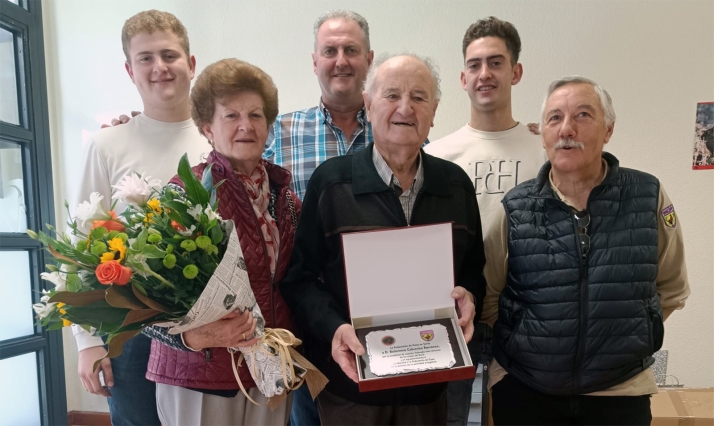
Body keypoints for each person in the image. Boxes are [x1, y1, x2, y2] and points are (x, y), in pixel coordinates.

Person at [280, 53, 487, 425]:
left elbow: (473, 271)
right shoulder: (332, 183)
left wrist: (470, 296)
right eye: (391, 95)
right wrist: (334, 328)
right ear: (368, 104)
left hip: (429, 389)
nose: (405, 108)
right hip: (351, 389)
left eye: (419, 97)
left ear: (434, 111)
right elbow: (300, 281)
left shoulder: (455, 185)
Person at [483, 76, 690, 425]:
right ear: (543, 134)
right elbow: (489, 296)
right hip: (526, 392)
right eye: (554, 118)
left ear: (608, 130)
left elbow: (671, 288)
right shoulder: (515, 207)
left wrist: (622, 338)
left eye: (582, 115)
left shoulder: (648, 196)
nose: (567, 129)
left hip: (620, 394)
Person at [142, 58, 301, 425]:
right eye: (231, 116)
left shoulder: (286, 199)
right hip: (202, 375)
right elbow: (143, 305)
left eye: (256, 115)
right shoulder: (185, 194)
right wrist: (198, 337)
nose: (246, 125)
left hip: (269, 370)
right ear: (206, 127)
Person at [72, 10, 204, 425]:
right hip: (130, 333)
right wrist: (87, 341)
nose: (159, 67)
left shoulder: (219, 136)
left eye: (169, 55)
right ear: (130, 70)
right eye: (145, 58)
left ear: (191, 63)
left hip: (205, 328)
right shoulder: (107, 144)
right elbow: (82, 243)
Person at [423, 16, 546, 425]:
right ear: (462, 77)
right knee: (451, 419)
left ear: (516, 71)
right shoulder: (436, 154)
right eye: (475, 65)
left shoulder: (543, 149)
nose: (485, 74)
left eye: (496, 62)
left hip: (526, 318)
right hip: (457, 315)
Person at [263, 10, 374, 201]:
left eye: (351, 50)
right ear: (315, 62)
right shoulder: (277, 133)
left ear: (369, 60)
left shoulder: (397, 129)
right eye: (330, 51)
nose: (341, 62)